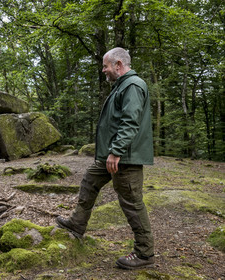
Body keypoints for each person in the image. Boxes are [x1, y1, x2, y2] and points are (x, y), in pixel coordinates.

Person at [56, 47, 155, 270]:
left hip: (125, 157)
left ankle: (145, 253)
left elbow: (130, 122)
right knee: (90, 180)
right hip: (113, 155)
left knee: (132, 203)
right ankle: (77, 223)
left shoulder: (132, 85)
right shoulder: (122, 85)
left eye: (105, 66)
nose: (103, 70)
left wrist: (116, 151)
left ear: (118, 64)